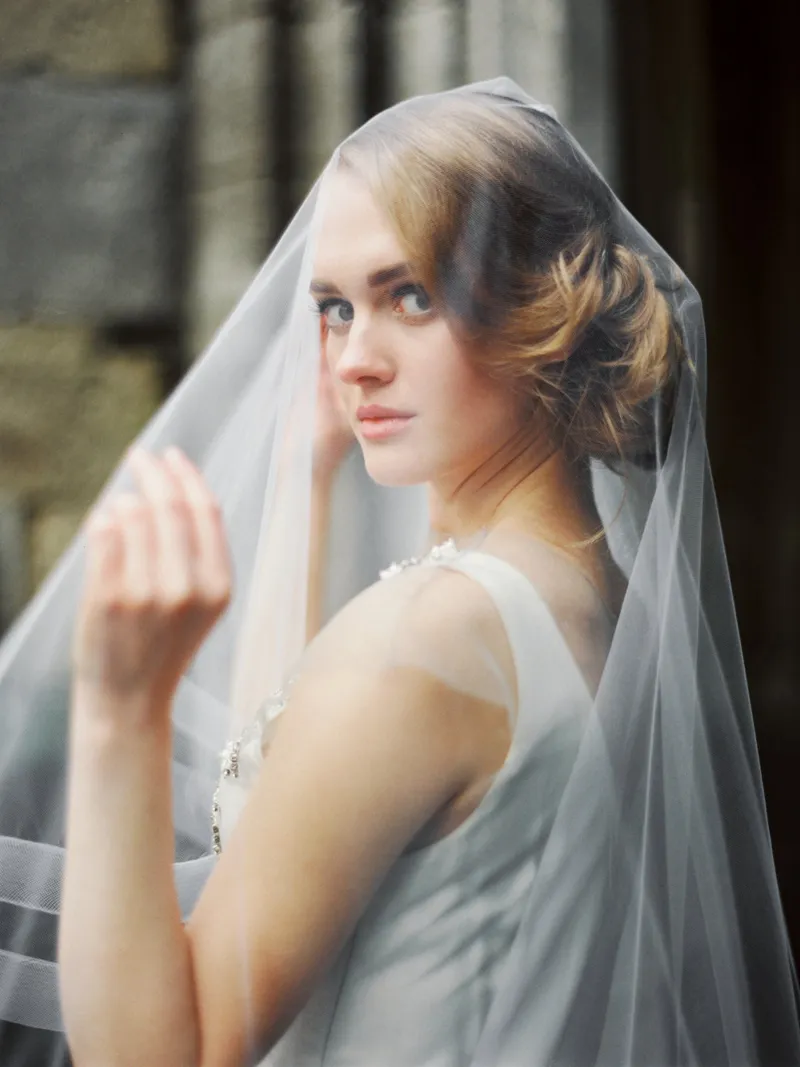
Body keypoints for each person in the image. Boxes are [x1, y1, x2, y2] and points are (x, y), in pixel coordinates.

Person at [1, 79, 798, 1067]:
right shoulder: (597, 598)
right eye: (333, 307)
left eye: (408, 294)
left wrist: (119, 705)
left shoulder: (427, 637)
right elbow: (295, 799)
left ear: (538, 308)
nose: (351, 359)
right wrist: (309, 471)